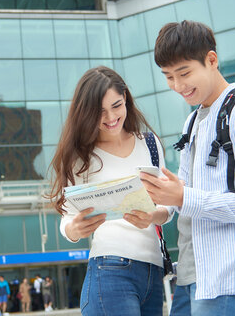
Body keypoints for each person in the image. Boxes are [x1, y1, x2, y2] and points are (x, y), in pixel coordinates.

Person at [141, 20, 235, 315]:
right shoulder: (193, 121)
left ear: (211, 60)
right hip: (192, 275)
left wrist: (182, 197)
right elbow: (184, 192)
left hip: (231, 277)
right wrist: (159, 210)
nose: (177, 86)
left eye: (184, 73)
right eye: (168, 76)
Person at [49, 66, 173, 315]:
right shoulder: (81, 156)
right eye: (100, 112)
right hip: (110, 270)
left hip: (153, 272)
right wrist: (74, 230)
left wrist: (153, 215)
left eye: (116, 105)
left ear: (125, 97)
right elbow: (68, 218)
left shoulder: (149, 143)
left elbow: (168, 205)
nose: (110, 117)